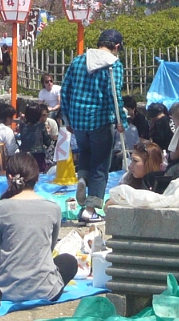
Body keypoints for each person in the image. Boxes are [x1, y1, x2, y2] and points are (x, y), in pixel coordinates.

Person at [0, 153, 79, 304]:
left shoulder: (0, 208)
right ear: (37, 178)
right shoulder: (53, 208)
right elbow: (48, 249)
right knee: (69, 261)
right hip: (45, 290)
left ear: (9, 177)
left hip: (7, 290)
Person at [61, 28, 127, 224]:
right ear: (116, 46)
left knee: (86, 154)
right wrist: (121, 121)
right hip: (100, 121)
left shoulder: (78, 60)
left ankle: (82, 178)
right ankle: (90, 209)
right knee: (100, 164)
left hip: (78, 120)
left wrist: (67, 119)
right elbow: (114, 96)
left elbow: (65, 90)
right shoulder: (114, 65)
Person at [17, 102, 49, 172]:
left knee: (26, 172)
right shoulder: (41, 126)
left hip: (25, 153)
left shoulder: (22, 125)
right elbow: (47, 141)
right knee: (40, 172)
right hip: (38, 154)